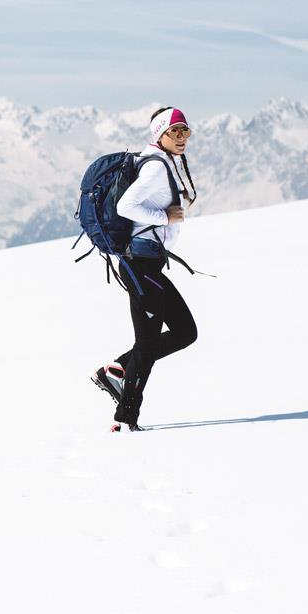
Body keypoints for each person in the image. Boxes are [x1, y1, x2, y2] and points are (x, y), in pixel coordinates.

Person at [93, 107, 200, 431]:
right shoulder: (156, 168)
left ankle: (115, 371)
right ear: (160, 134)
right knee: (149, 343)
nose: (181, 138)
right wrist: (165, 218)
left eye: (185, 131)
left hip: (149, 265)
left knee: (185, 332)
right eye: (175, 131)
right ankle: (127, 420)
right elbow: (127, 206)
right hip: (140, 266)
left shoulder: (161, 163)